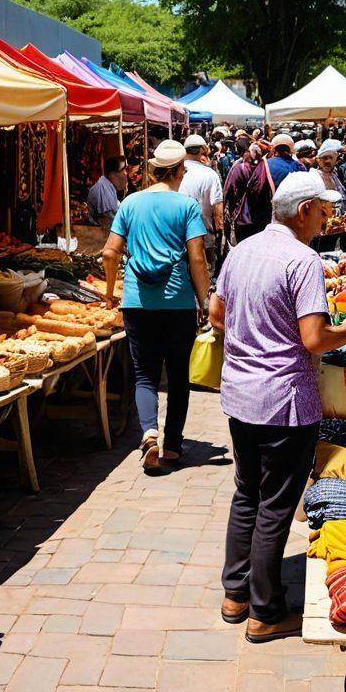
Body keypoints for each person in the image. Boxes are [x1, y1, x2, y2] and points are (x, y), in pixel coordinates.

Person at [211, 171, 346, 642]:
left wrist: (253, 336)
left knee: (247, 493)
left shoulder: (241, 251)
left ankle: (234, 593)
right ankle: (265, 611)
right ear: (303, 211)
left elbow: (218, 315)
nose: (325, 219)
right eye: (322, 211)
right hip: (283, 401)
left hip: (241, 396)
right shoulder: (301, 260)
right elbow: (315, 338)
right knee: (276, 504)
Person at [101, 141, 210, 474]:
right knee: (177, 375)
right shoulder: (187, 206)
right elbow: (197, 257)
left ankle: (149, 432)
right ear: (180, 170)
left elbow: (109, 252)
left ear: (152, 170)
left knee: (144, 374)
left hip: (137, 303)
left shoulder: (131, 203)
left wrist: (109, 293)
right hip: (177, 304)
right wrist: (203, 299)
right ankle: (173, 447)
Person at [180, 133, 225, 276]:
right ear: (203, 150)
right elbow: (218, 210)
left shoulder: (175, 172)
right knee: (205, 277)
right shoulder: (210, 174)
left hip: (176, 233)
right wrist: (219, 233)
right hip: (203, 234)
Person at [86, 155, 128, 230]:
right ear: (112, 174)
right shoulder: (103, 190)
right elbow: (107, 224)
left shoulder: (108, 187)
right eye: (123, 170)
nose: (126, 173)